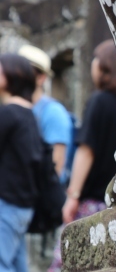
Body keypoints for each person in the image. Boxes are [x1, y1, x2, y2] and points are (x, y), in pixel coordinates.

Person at [0, 54, 46, 272]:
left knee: (3, 271)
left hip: (6, 202)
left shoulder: (8, 114)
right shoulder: (29, 113)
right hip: (21, 206)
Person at [61, 41, 116, 227]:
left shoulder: (99, 101)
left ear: (104, 65)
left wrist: (73, 195)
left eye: (95, 59)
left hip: (92, 203)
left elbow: (86, 151)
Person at [18, 45, 73, 181]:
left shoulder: (53, 112)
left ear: (41, 77)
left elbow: (56, 170)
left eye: (24, 71)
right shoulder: (14, 108)